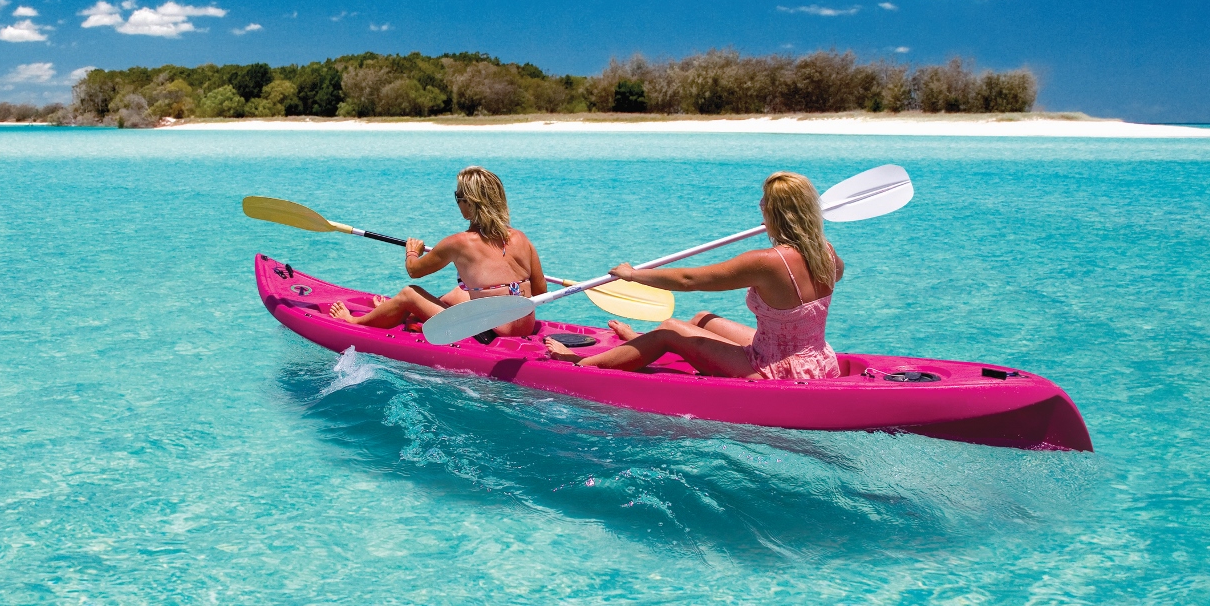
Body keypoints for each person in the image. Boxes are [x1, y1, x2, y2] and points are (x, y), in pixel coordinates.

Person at [546, 171, 842, 379]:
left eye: (764, 202)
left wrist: (634, 275)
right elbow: (831, 278)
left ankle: (580, 363)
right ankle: (639, 343)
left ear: (775, 214)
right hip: (818, 360)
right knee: (702, 319)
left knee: (669, 330)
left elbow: (691, 280)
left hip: (774, 369)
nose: (760, 207)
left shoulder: (767, 262)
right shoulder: (826, 253)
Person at [328, 166, 546, 338]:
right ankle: (397, 312)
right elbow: (540, 291)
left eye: (458, 197)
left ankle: (355, 321)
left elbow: (414, 271)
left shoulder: (459, 243)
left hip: (490, 332)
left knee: (409, 293)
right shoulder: (521, 238)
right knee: (457, 294)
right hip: (524, 328)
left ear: (471, 203)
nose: (457, 202)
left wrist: (412, 251)